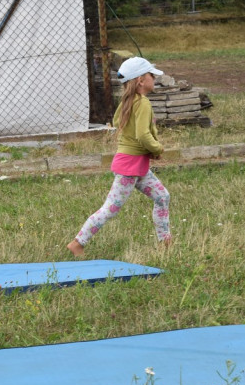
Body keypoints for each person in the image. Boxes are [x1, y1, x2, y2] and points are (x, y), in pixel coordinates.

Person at [67, 57, 171, 256]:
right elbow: (142, 135)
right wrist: (157, 149)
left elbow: (118, 123)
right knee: (111, 208)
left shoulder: (128, 101)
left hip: (136, 165)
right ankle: (77, 243)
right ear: (141, 80)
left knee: (162, 197)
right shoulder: (142, 103)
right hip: (129, 167)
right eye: (151, 75)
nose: (154, 78)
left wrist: (146, 151)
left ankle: (165, 242)